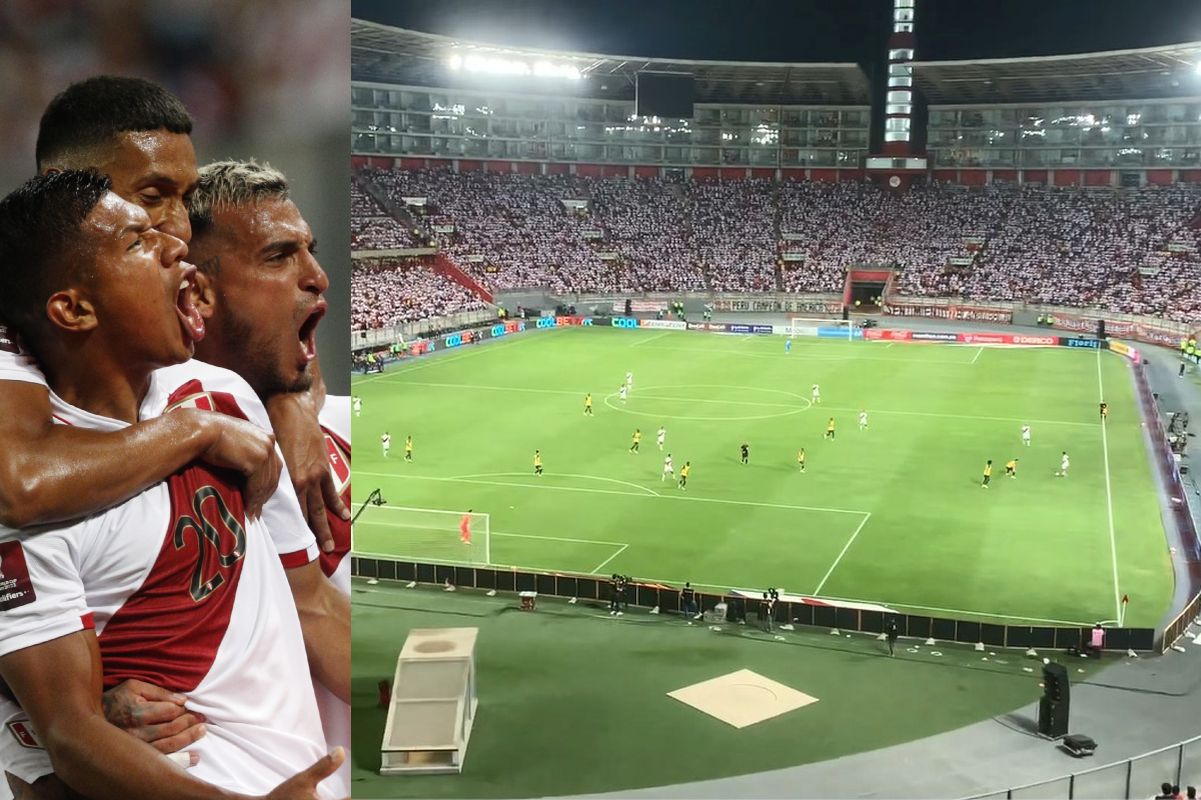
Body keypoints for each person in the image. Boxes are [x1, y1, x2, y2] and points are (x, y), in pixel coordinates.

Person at [0, 171, 344, 799]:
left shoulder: (224, 400)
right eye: (138, 241)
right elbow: (70, 738)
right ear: (74, 309)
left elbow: (311, 605)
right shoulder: (36, 509)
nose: (175, 245)